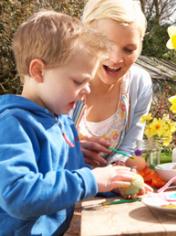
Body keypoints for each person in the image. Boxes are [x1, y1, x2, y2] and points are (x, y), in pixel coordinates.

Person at [0, 10, 141, 235]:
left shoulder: (62, 122)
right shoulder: (13, 125)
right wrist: (92, 179)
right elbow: (17, 195)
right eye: (78, 81)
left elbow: (68, 176)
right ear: (38, 71)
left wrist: (112, 183)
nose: (87, 90)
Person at [71, 0, 153, 168]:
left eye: (128, 49)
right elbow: (37, 144)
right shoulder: (63, 79)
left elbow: (129, 148)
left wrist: (120, 167)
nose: (116, 59)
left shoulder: (139, 84)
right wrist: (70, 151)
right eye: (106, 44)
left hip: (108, 192)